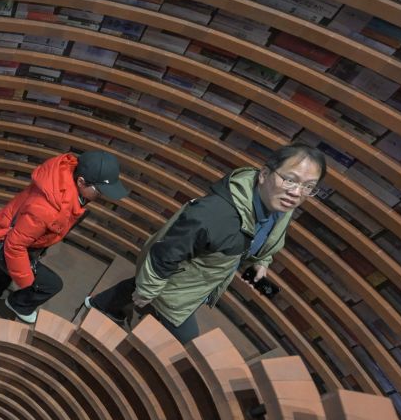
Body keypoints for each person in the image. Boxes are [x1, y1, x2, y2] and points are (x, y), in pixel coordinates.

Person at [86, 144, 325, 345]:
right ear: (263, 174)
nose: (297, 193)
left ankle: (101, 305)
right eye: (290, 180)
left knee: (136, 290)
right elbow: (165, 253)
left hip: (200, 279)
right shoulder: (214, 215)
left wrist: (262, 261)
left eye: (308, 187)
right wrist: (148, 290)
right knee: (188, 339)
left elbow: (266, 238)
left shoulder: (280, 206)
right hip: (178, 283)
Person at [0, 150, 128, 323]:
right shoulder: (47, 209)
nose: (103, 196)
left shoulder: (63, 179)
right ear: (81, 182)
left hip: (8, 228)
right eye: (100, 191)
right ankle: (18, 304)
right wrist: (27, 281)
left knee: (1, 270)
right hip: (8, 240)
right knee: (51, 285)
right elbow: (14, 246)